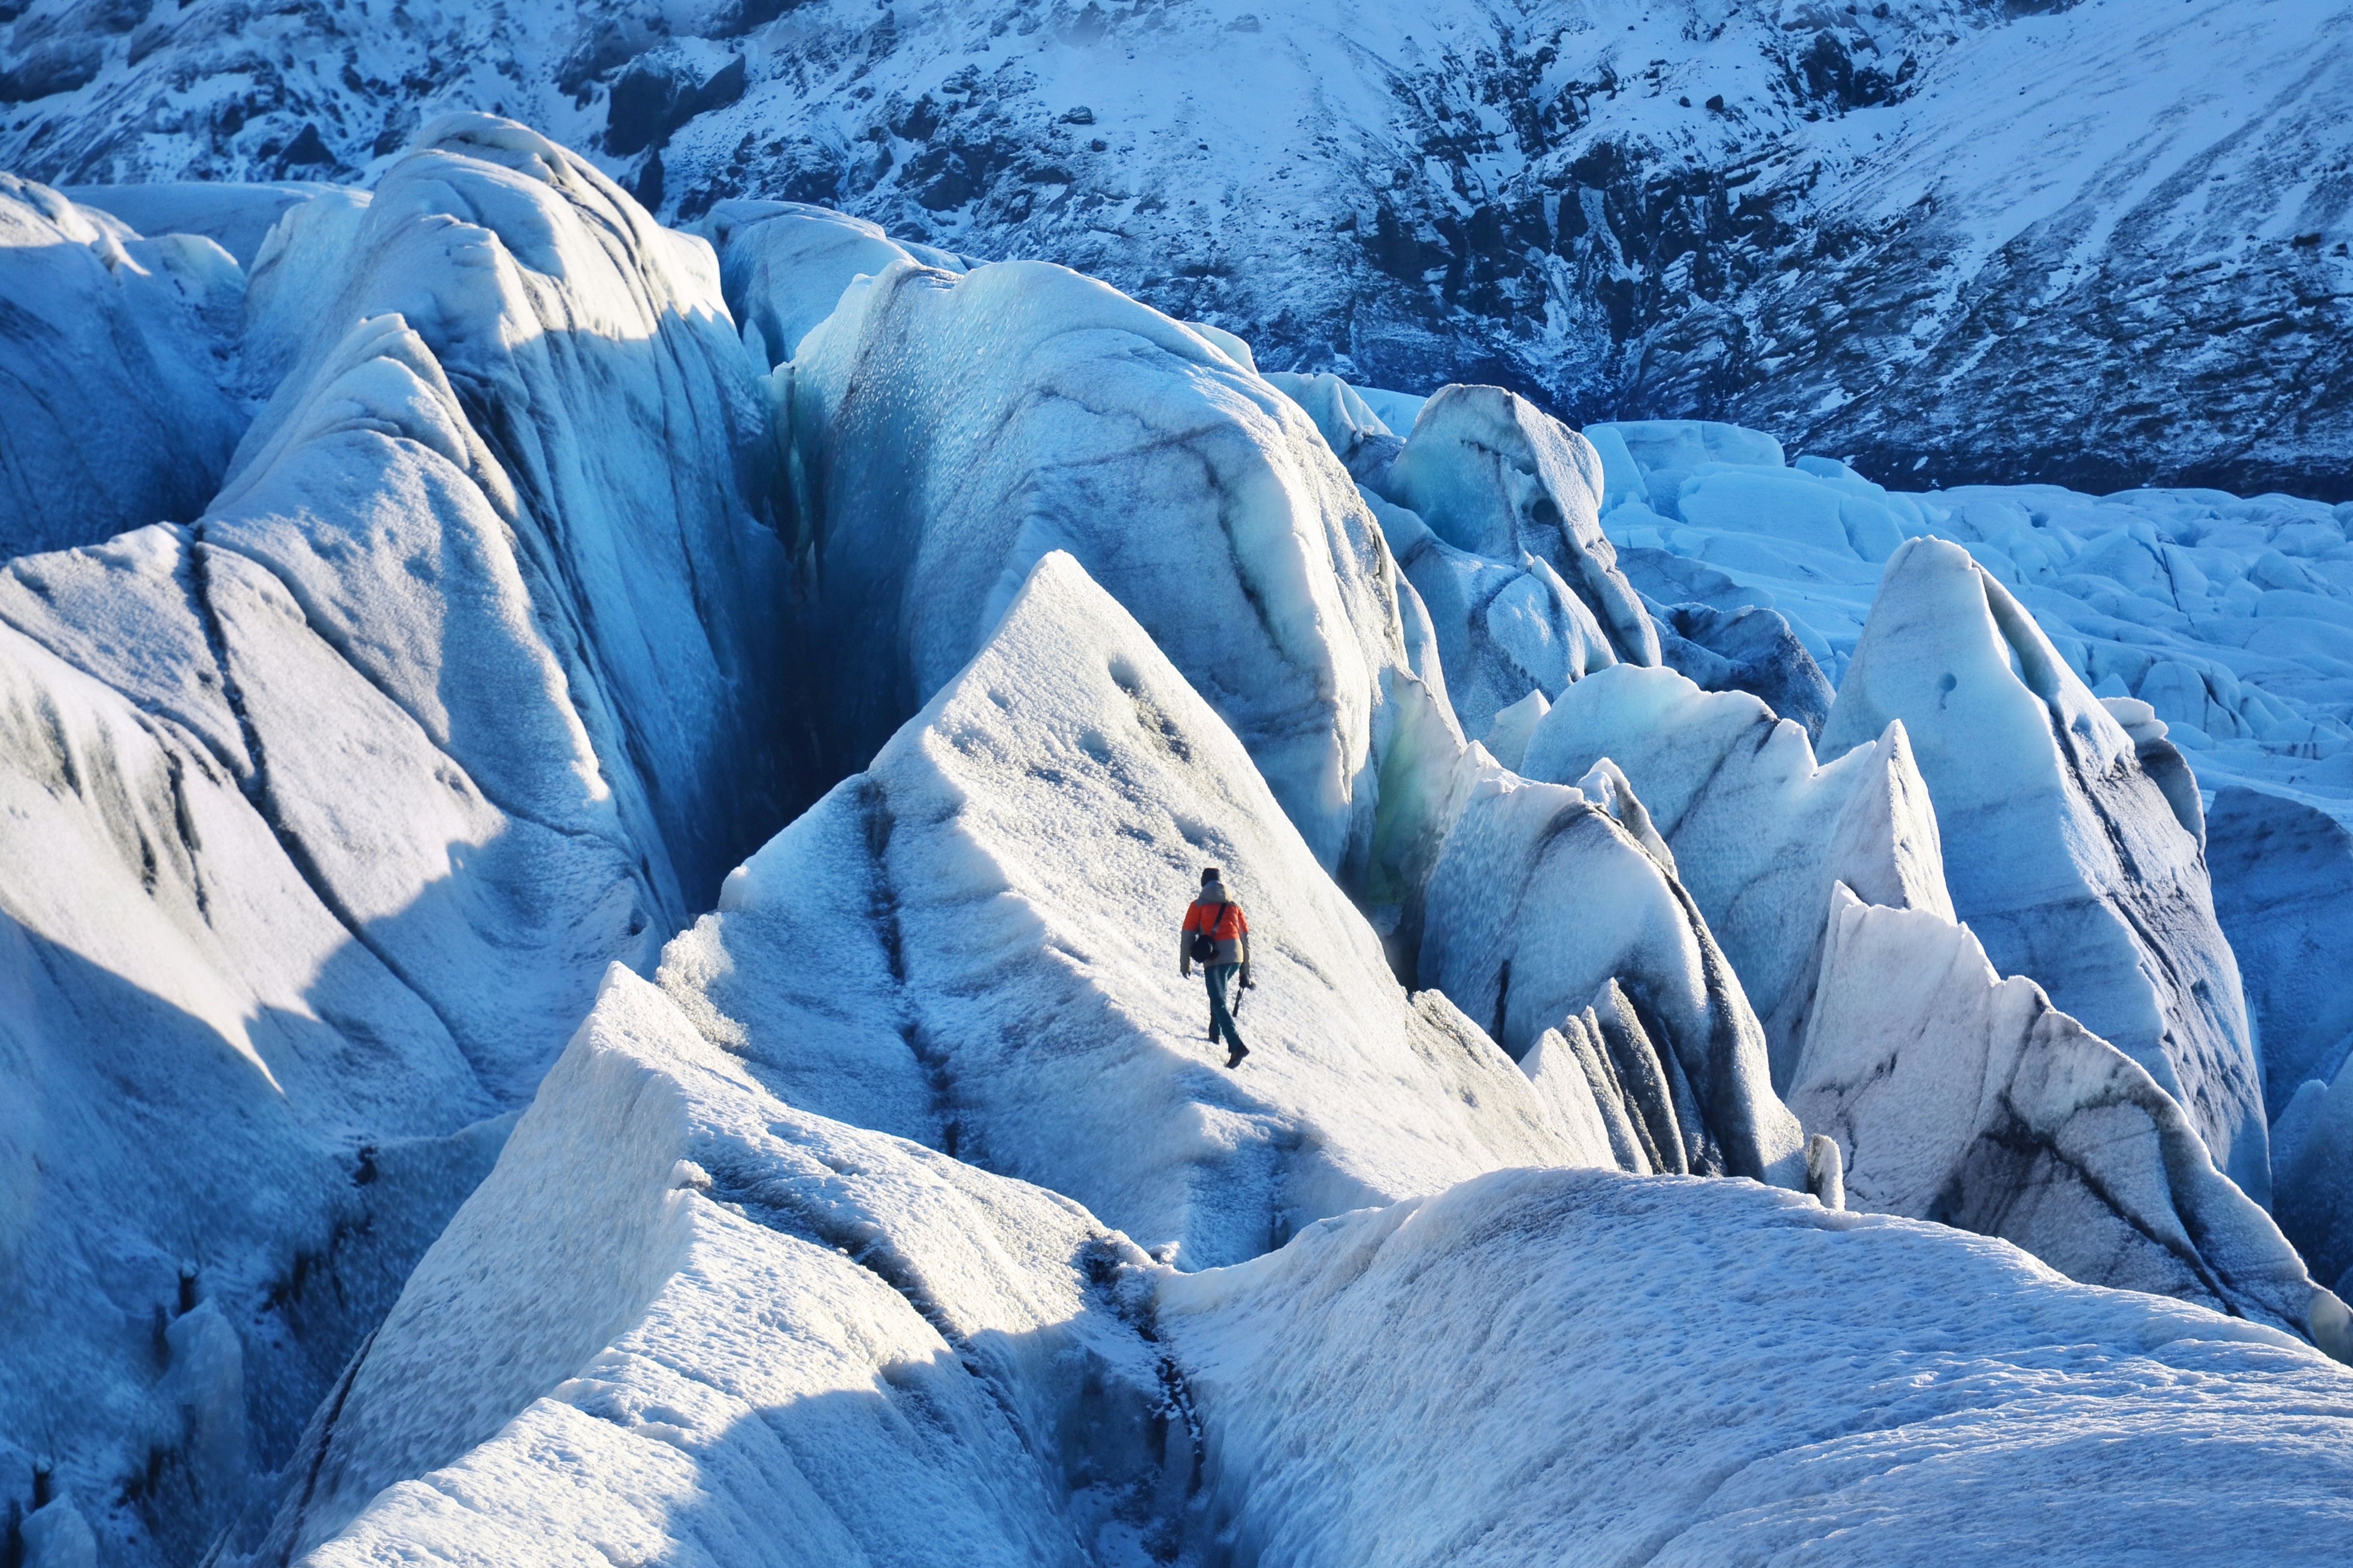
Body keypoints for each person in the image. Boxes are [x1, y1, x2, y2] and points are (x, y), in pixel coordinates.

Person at [1180, 867, 1251, 1068]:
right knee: (1218, 996)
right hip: (1236, 957)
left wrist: (1185, 964)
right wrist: (1245, 970)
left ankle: (1236, 1045)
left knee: (1218, 1000)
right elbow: (1245, 938)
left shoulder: (1198, 906)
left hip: (1216, 957)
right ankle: (1214, 1036)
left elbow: (1187, 936)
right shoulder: (1234, 907)